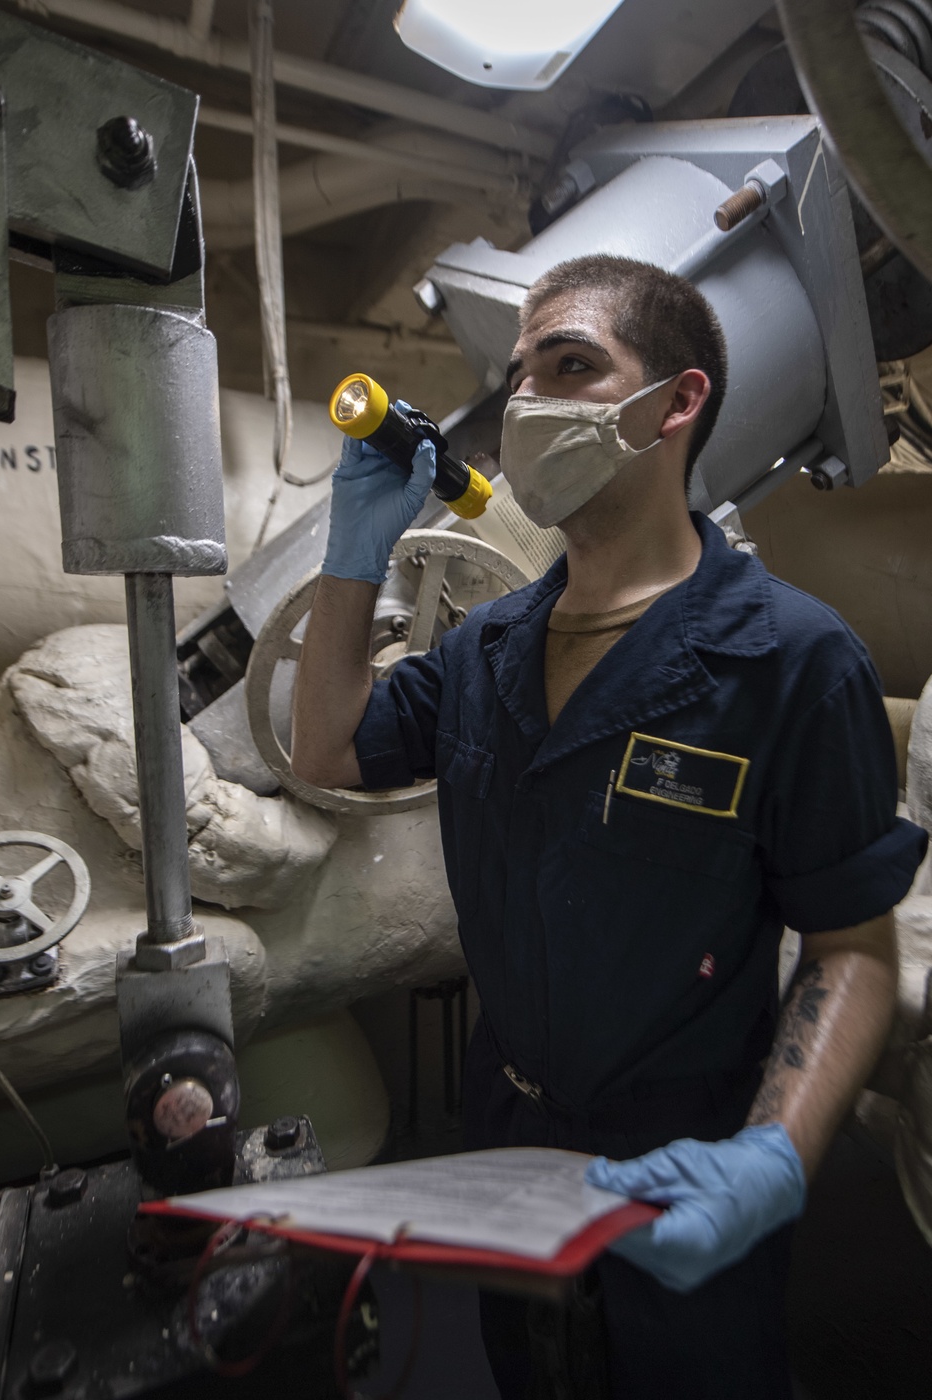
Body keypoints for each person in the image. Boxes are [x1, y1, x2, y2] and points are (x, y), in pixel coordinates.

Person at [291, 254, 928, 1399]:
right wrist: (351, 553)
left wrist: (772, 1154)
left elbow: (852, 950)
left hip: (688, 1148)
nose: (527, 403)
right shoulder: (484, 651)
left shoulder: (793, 659)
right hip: (508, 1134)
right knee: (529, 1374)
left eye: (572, 366)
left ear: (676, 402)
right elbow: (324, 748)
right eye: (519, 372)